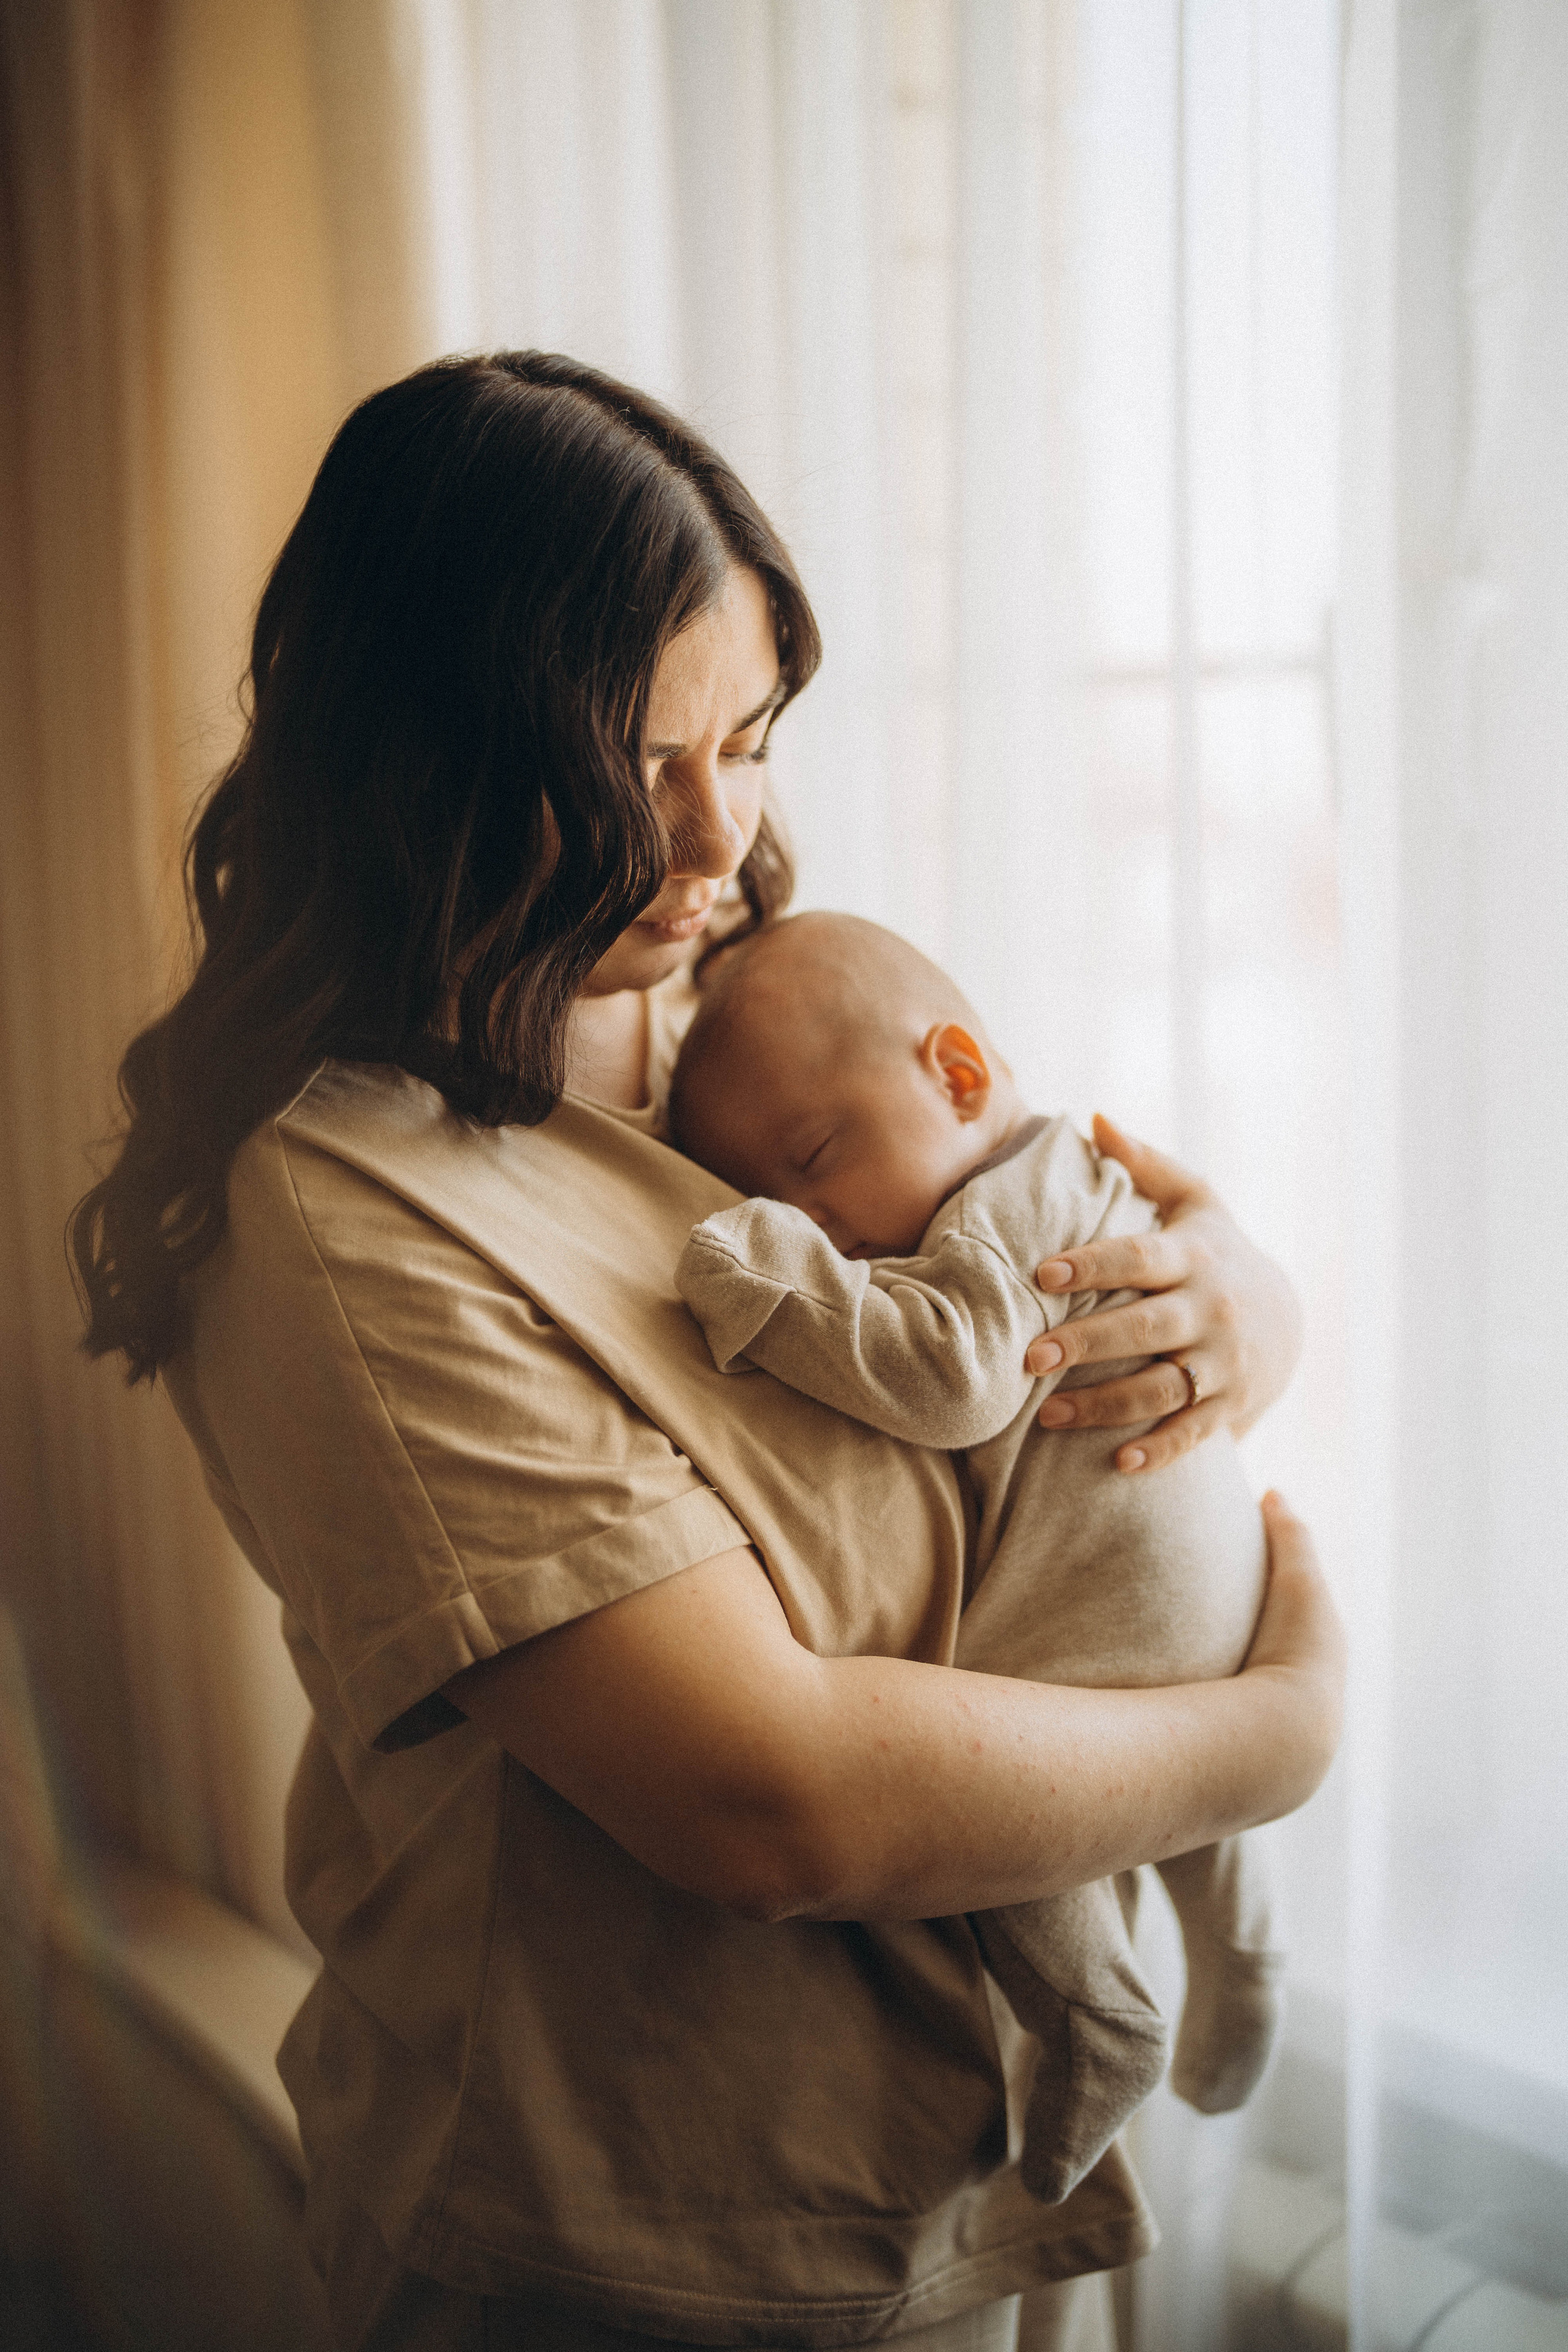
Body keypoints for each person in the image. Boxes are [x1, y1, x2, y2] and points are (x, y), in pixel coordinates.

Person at [70, 352, 1344, 2352]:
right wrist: (1271, 1742)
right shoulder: (347, 1211)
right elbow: (769, 1806)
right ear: (434, 764)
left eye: (747, 741)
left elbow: (1049, 1222)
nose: (719, 839)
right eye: (632, 766)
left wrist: (1245, 1292)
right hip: (628, 2252)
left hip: (957, 2185)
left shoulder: (733, 1038)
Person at [670, 910, 1284, 2209]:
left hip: (1091, 1649)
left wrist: (765, 1271)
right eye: (771, 1205)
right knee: (1206, 1834)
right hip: (1211, 1605)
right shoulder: (1068, 1166)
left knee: (1009, 1829)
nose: (818, 1223)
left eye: (813, 1163)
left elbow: (951, 1382)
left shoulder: (994, 1224)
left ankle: (1100, 2020)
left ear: (954, 1074)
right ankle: (1245, 1959)